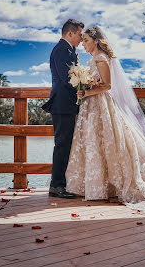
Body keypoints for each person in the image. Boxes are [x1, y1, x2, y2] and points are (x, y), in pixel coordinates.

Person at [66, 26, 145, 218]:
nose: (84, 44)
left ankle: (108, 185)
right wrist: (83, 86)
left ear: (96, 41)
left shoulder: (101, 59)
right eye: (82, 41)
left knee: (105, 141)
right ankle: (95, 184)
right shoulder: (91, 60)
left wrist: (87, 91)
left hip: (101, 105)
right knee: (92, 143)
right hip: (90, 107)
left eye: (87, 40)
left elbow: (107, 86)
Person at [42, 19, 84, 199]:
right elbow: (67, 80)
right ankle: (56, 185)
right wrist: (86, 86)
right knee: (62, 145)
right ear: (70, 33)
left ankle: (60, 183)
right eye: (80, 35)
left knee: (65, 145)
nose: (82, 39)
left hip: (67, 105)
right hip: (62, 104)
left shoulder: (68, 50)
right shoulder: (62, 51)